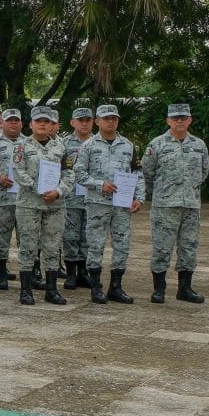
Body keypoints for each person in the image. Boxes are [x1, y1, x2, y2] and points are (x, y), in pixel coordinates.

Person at [74, 104, 143, 304]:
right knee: (95, 245)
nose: (110, 121)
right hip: (97, 204)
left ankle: (116, 287)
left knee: (122, 244)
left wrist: (139, 197)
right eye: (106, 118)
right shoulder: (88, 146)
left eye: (114, 118)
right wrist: (99, 184)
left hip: (122, 205)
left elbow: (137, 173)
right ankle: (96, 287)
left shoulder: (128, 145)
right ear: (97, 121)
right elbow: (78, 174)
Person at [141, 103, 209, 304]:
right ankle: (159, 289)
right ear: (168, 121)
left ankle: (185, 288)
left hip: (191, 205)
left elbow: (204, 172)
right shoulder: (157, 144)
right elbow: (147, 173)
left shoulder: (199, 145)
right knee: (162, 248)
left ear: (190, 120)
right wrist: (162, 193)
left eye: (183, 118)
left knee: (189, 247)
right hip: (165, 205)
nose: (179, 121)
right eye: (175, 118)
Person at [15, 107, 72, 305]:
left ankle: (51, 289)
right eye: (38, 121)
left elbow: (69, 174)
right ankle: (26, 290)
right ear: (31, 124)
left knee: (52, 246)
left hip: (55, 204)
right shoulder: (21, 146)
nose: (42, 124)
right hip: (29, 204)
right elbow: (17, 171)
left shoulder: (61, 148)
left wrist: (58, 191)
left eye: (46, 122)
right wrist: (36, 187)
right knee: (28, 246)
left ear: (52, 125)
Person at [0, 108, 25, 291]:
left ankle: (30, 272)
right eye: (9, 120)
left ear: (21, 124)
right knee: (0, 237)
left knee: (26, 237)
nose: (13, 123)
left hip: (25, 200)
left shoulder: (29, 144)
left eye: (16, 121)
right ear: (2, 123)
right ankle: (0, 272)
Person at [61, 108, 94, 290]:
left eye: (88, 120)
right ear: (73, 122)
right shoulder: (63, 143)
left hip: (92, 198)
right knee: (70, 236)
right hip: (71, 197)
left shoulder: (99, 142)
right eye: (80, 120)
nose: (84, 123)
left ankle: (84, 272)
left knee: (87, 236)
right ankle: (71, 273)